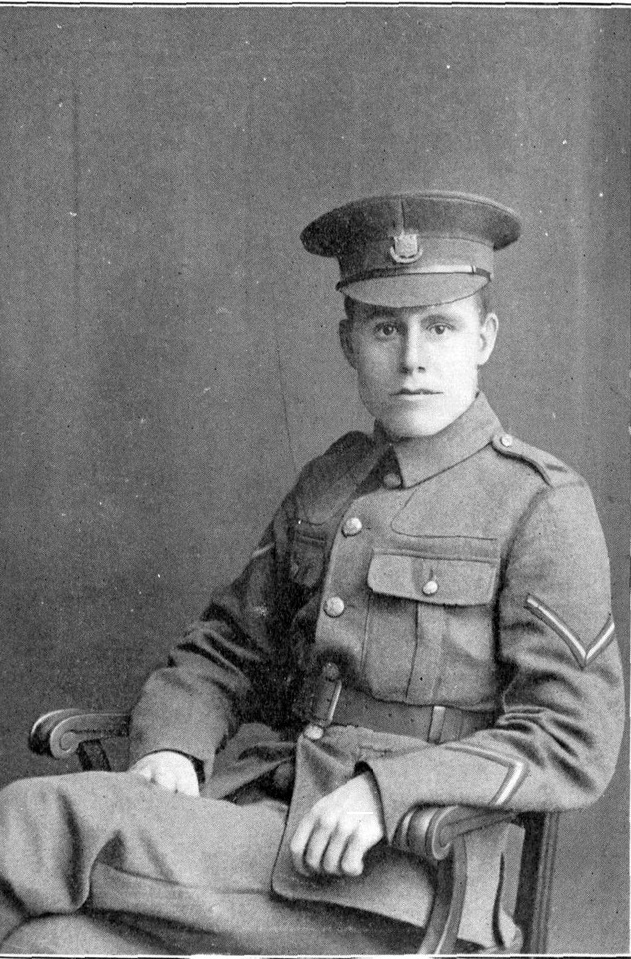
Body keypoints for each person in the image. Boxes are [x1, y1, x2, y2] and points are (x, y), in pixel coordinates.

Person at [0, 191, 624, 955]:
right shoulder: (331, 481)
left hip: (401, 877)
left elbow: (571, 737)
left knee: (34, 821)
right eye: (385, 328)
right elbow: (227, 648)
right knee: (47, 947)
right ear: (348, 342)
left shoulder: (538, 503)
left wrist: (385, 791)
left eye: (441, 327)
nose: (414, 357)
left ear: (484, 337)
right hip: (266, 833)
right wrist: (171, 743)